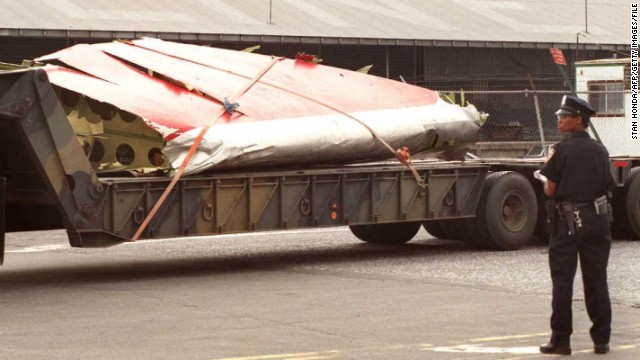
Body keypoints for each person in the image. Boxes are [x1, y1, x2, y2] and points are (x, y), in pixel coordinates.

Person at [536, 95, 613, 355]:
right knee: (596, 279)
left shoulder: (561, 150)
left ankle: (561, 340)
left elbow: (550, 189)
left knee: (562, 281)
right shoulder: (601, 150)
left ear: (577, 120)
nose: (559, 120)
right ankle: (601, 339)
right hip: (597, 219)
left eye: (564, 116)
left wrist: (544, 181)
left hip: (568, 223)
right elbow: (606, 185)